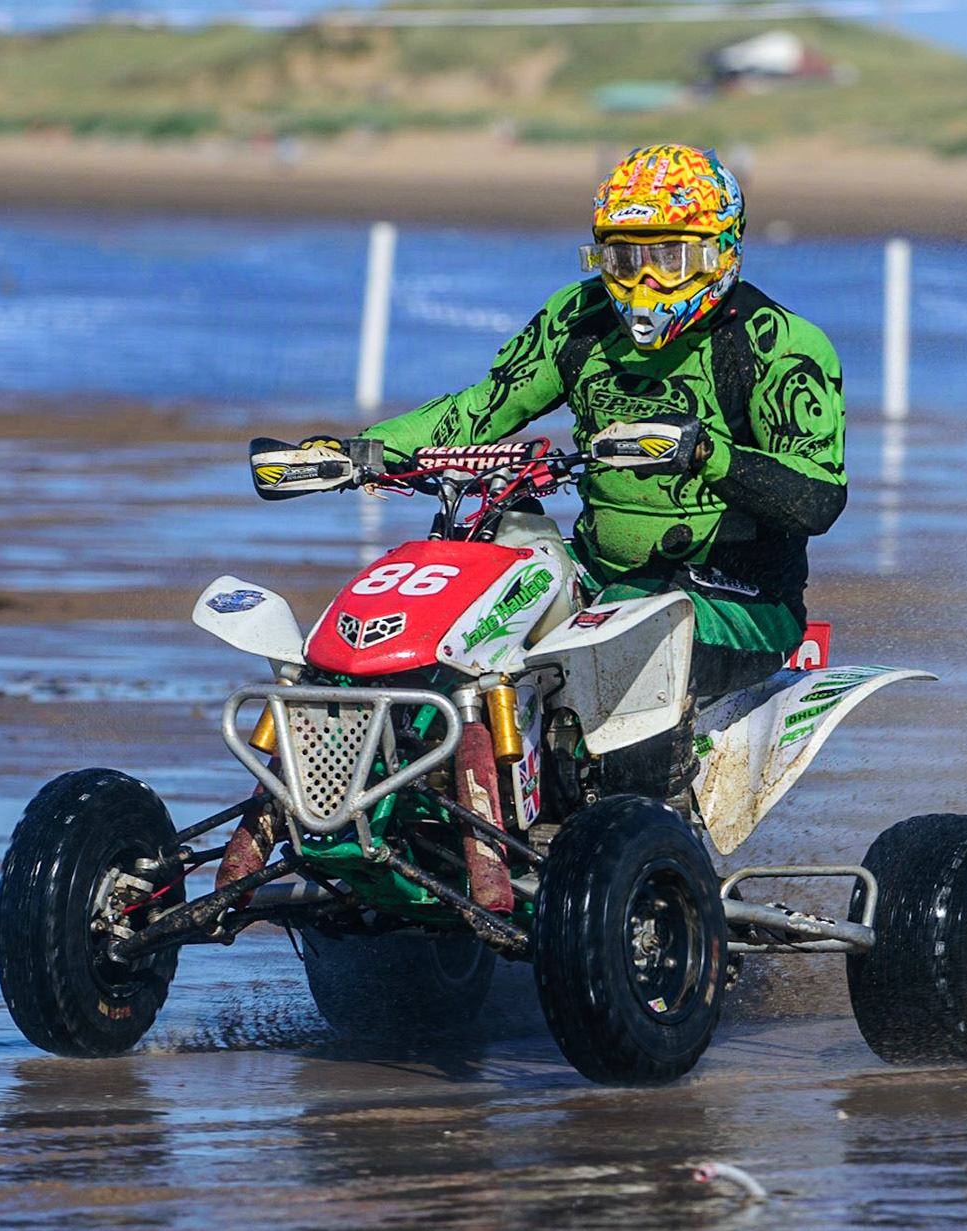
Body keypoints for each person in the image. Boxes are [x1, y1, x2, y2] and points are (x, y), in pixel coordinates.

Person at [360, 143, 848, 806]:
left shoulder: (778, 344)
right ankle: (434, 797)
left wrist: (707, 454)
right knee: (484, 573)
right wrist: (361, 450)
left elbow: (819, 498)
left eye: (667, 257)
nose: (644, 281)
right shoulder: (579, 318)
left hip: (740, 600)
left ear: (718, 252)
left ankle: (646, 824)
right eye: (625, 257)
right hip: (599, 579)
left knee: (633, 643)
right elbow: (480, 410)